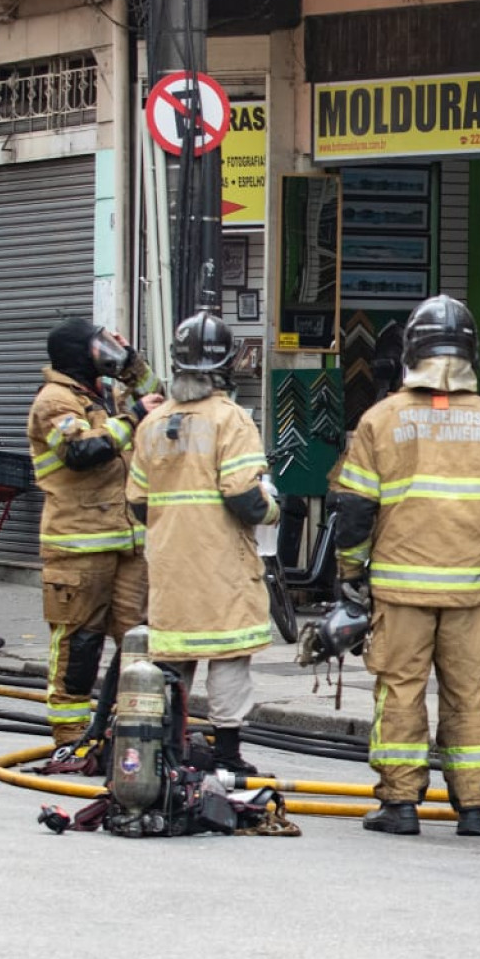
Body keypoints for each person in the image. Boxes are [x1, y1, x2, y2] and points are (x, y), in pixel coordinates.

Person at [330, 295, 480, 838]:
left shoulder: (380, 419)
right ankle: (474, 808)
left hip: (400, 589)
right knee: (467, 695)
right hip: (470, 589)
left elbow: (355, 511)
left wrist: (350, 575)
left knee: (400, 690)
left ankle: (400, 805)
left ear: (411, 350)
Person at [125, 309, 277, 775]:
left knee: (173, 660)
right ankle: (227, 755)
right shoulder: (231, 420)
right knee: (229, 657)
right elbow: (244, 497)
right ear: (225, 364)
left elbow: (137, 502)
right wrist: (273, 509)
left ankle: (167, 753)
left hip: (170, 565)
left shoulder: (153, 424)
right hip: (221, 565)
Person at [26, 318, 161, 746]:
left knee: (140, 641)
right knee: (80, 642)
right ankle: (70, 734)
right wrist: (132, 419)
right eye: (98, 346)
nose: (106, 352)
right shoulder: (55, 401)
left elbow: (159, 396)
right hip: (79, 544)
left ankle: (133, 730)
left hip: (128, 541)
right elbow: (80, 451)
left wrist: (131, 362)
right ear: (77, 354)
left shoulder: (104, 393)